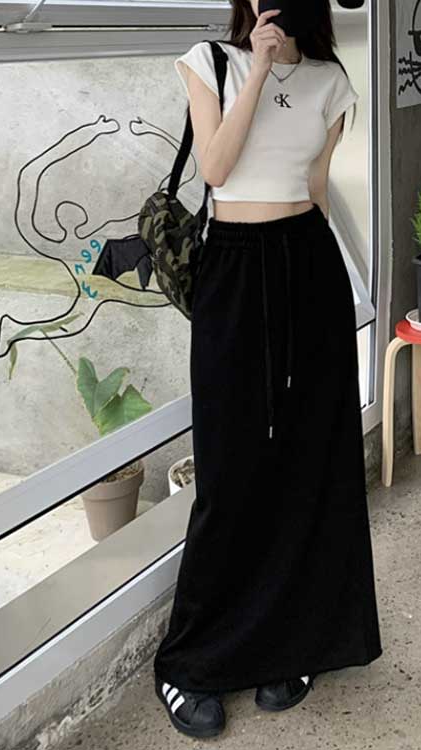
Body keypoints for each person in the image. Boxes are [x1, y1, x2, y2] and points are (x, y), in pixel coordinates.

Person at [153, 0, 382, 738]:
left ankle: (300, 638)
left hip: (307, 265)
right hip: (232, 266)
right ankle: (190, 662)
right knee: (229, 466)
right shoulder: (210, 62)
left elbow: (315, 189)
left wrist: (333, 291)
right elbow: (216, 168)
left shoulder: (330, 81)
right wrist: (256, 69)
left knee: (311, 460)